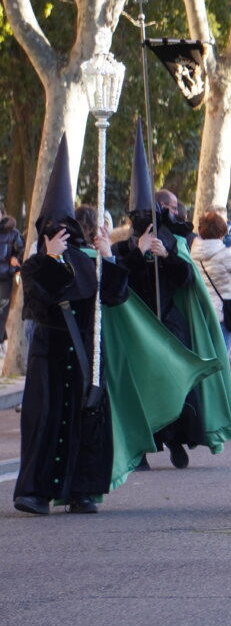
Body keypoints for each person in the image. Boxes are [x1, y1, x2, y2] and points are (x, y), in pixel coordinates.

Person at [13, 139, 128, 514]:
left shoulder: (89, 261)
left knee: (86, 420)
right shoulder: (33, 265)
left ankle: (82, 490)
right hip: (49, 354)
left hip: (85, 354)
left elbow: (114, 296)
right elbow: (37, 300)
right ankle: (35, 491)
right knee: (44, 421)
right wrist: (49, 258)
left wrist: (108, 257)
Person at [114, 121, 231, 469]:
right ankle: (141, 447)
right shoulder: (124, 247)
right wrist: (137, 253)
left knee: (177, 382)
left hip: (168, 322)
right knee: (140, 387)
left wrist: (164, 257)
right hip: (136, 328)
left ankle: (177, 440)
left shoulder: (174, 242)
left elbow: (185, 277)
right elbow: (117, 282)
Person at [191, 211, 231, 358]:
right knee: (221, 356)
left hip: (203, 311)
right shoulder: (224, 255)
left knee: (207, 356)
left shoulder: (193, 251)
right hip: (224, 313)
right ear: (222, 232)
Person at [0, 202, 24, 351]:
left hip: (4, 277)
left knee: (2, 310)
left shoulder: (13, 233)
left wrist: (15, 263)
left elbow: (22, 251)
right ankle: (3, 339)